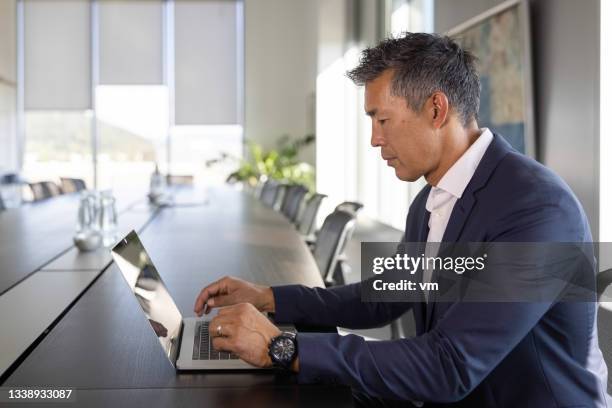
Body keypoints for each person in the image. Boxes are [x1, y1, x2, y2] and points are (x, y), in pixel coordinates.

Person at [193, 33, 610, 407]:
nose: (375, 138)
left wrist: (282, 347)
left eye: (382, 119)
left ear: (435, 109)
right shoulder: (432, 199)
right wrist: (270, 297)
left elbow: (450, 366)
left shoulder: (536, 209)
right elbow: (383, 296)